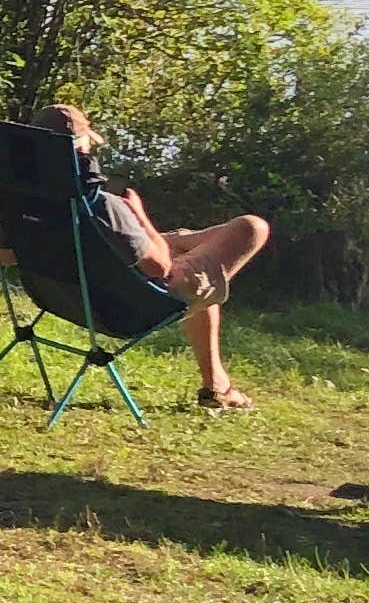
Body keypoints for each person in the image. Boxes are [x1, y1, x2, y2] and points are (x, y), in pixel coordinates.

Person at [39, 102, 270, 412]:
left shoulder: (21, 199)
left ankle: (216, 382)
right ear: (80, 146)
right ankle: (218, 387)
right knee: (251, 228)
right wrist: (138, 214)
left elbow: (7, 256)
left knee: (195, 251)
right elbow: (159, 266)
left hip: (56, 296)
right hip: (128, 308)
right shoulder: (103, 204)